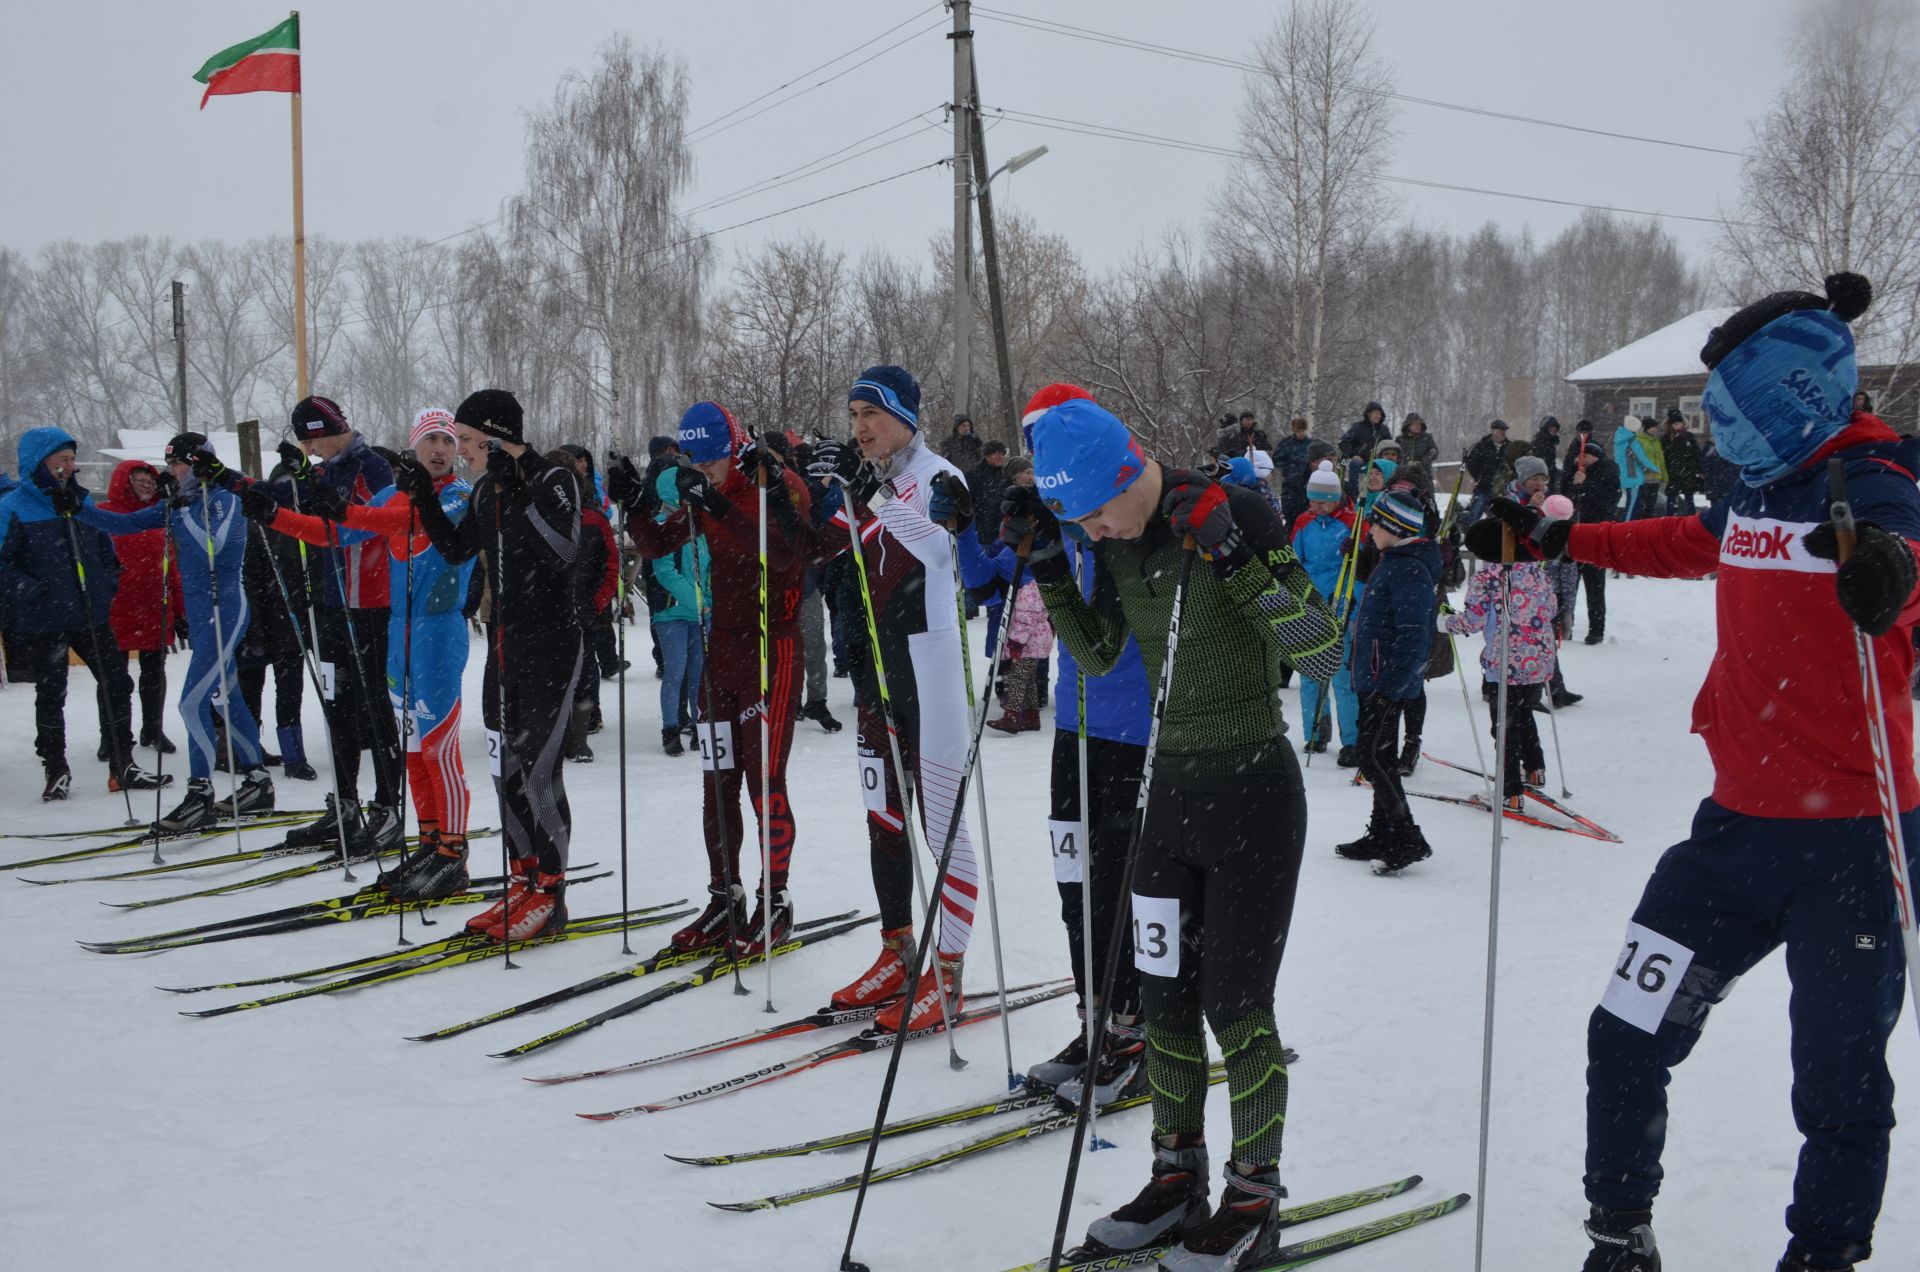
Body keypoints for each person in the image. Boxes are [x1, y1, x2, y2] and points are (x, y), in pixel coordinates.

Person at [1485, 272, 1917, 1272]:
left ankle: (1822, 1256)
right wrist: (1559, 536)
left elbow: (1905, 562)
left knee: (1841, 1088)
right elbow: (1688, 540)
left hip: (1854, 844)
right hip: (1733, 836)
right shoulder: (1758, 488)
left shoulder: (1873, 482)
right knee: (1625, 1032)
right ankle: (1619, 1234)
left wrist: (1889, 573)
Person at [1019, 396, 1342, 1269]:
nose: (1091, 529)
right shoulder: (1119, 540)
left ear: (1128, 471)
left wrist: (1236, 559)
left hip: (1252, 797)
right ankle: (1175, 1179)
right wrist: (1051, 566)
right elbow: (1093, 654)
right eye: (1073, 520)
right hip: (1167, 804)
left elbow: (1322, 651)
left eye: (1090, 513)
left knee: (1235, 1008)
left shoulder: (1236, 511)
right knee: (1163, 1005)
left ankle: (1254, 1195)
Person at [797, 366, 979, 1034]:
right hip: (875, 675)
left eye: (870, 413)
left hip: (928, 678)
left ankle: (950, 972)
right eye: (852, 417)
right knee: (885, 819)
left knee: (942, 828)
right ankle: (897, 949)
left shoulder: (938, 478)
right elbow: (820, 548)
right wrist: (796, 489)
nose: (861, 427)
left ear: (904, 413)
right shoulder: (864, 484)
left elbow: (939, 551)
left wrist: (870, 492)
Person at [242, 410, 478, 895]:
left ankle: (454, 853)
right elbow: (333, 536)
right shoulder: (394, 492)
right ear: (413, 446)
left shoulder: (459, 497)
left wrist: (340, 507)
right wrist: (274, 515)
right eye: (430, 439)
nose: (439, 449)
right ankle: (431, 842)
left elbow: (401, 521)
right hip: (398, 632)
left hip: (438, 633)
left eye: (447, 441)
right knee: (412, 750)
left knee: (438, 747)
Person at [611, 401, 813, 957]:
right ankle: (725, 897)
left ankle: (776, 902)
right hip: (718, 651)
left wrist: (716, 503)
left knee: (763, 783)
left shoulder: (780, 483)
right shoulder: (704, 493)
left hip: (772, 650)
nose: (704, 475)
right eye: (694, 466)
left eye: (713, 462)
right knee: (717, 783)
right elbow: (656, 546)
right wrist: (633, 506)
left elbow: (786, 554)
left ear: (736, 448)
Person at [401, 389, 582, 943]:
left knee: (538, 772)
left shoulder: (553, 478)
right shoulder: (485, 490)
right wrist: (423, 498)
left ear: (498, 437)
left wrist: (518, 486)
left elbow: (562, 552)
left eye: (470, 442)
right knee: (505, 770)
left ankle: (551, 893)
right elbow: (457, 550)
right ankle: (523, 880)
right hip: (503, 644)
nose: (461, 452)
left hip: (552, 644)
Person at [79, 434, 273, 826]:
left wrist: (180, 509)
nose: (172, 472)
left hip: (227, 611)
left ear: (199, 463)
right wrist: (76, 507)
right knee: (224, 699)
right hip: (203, 619)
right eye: (170, 465)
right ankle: (258, 782)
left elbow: (214, 546)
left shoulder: (226, 496)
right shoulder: (183, 501)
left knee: (191, 703)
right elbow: (125, 522)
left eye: (178, 465)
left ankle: (199, 793)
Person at [265, 397, 403, 857]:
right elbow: (294, 506)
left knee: (374, 707)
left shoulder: (374, 466)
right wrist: (251, 487)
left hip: (370, 604)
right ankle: (345, 804)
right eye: (303, 443)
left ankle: (387, 807)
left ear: (332, 428)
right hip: (331, 602)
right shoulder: (322, 471)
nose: (310, 448)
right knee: (337, 704)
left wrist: (327, 500)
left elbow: (371, 524)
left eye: (312, 439)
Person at [0, 428, 166, 800]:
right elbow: (2, 565)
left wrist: (108, 582)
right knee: (51, 691)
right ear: (38, 464)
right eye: (61, 460)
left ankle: (123, 763)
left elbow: (106, 548)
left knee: (117, 682)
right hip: (45, 618)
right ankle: (55, 766)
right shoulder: (12, 507)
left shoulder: (81, 502)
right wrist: (33, 590)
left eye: (72, 459)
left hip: (90, 613)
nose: (69, 467)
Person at [1336, 489, 1440, 873]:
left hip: (1386, 683)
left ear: (1394, 528)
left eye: (1376, 523)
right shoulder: (1394, 560)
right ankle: (1381, 832)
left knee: (1371, 756)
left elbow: (1414, 636)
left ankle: (1406, 835)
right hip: (1377, 678)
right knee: (1380, 754)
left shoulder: (1409, 568)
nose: (1370, 530)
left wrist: (1388, 689)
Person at [1440, 515, 1557, 808]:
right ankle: (1535, 767)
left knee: (1504, 726)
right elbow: (1552, 607)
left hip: (1504, 662)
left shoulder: (1489, 576)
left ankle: (1511, 791)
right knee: (1522, 714)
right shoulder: (1535, 570)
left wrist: (1445, 622)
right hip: (1537, 660)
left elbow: (1473, 620)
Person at [237, 467, 317, 781]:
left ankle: (294, 755)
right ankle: (248, 752)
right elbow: (250, 580)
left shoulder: (307, 525)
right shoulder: (258, 527)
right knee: (250, 689)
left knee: (290, 691)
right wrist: (252, 627)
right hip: (260, 623)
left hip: (292, 624)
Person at [101, 459, 183, 756]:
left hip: (154, 606)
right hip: (115, 607)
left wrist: (181, 609)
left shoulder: (161, 516)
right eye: (139, 482)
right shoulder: (105, 515)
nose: (145, 488)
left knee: (154, 673)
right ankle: (111, 734)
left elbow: (172, 566)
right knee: (113, 677)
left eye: (149, 483)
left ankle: (153, 727)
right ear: (125, 483)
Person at [552, 449, 619, 764]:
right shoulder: (537, 515)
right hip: (547, 613)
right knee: (554, 676)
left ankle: (579, 736)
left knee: (584, 672)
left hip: (584, 609)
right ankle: (555, 735)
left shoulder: (593, 518)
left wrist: (596, 601)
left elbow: (611, 565)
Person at [1291, 463, 1358, 757]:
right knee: (1311, 674)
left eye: (1323, 501)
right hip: (1310, 606)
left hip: (1342, 605)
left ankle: (1352, 739)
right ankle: (1316, 732)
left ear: (1336, 498)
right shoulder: (1303, 523)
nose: (1317, 507)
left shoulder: (1351, 523)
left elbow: (1362, 568)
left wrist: (1352, 598)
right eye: (1313, 501)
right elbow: (1293, 562)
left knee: (1342, 676)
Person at [986, 458, 1054, 735]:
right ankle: (1032, 716)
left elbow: (1026, 618)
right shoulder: (1039, 581)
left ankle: (1013, 716)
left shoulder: (1029, 587)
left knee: (1018, 678)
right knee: (1027, 679)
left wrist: (1015, 642)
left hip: (1027, 642)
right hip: (1038, 641)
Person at [644, 465, 708, 757]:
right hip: (672, 613)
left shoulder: (698, 523)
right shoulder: (661, 523)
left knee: (699, 673)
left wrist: (708, 598)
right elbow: (665, 571)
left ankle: (699, 725)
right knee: (675, 671)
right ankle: (671, 728)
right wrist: (696, 600)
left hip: (700, 613)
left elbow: (707, 566)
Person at [1567, 442, 1620, 644]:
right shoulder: (1574, 472)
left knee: (1595, 587)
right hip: (1572, 537)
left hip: (1594, 538)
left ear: (1595, 457)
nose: (1581, 461)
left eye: (1585, 457)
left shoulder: (1608, 473)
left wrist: (1586, 484)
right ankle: (1563, 627)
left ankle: (1596, 630)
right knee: (1567, 587)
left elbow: (1607, 502)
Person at [1338, 401, 1392, 498]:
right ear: (1368, 413)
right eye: (1376, 413)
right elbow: (1343, 442)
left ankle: (1386, 494)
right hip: (1362, 462)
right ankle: (1354, 496)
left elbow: (1390, 446)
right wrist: (1353, 455)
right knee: (1354, 464)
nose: (1378, 416)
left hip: (1378, 463)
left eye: (1380, 413)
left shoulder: (1384, 430)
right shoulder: (1357, 427)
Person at [1615, 415, 1663, 521]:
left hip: (1626, 475)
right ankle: (1627, 528)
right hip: (1633, 477)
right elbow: (1642, 458)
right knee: (1633, 507)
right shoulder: (1632, 442)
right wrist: (1655, 469)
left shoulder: (1621, 439)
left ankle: (1627, 526)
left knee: (1633, 505)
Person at [1463, 419, 1510, 526]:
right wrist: (1479, 477)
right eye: (1500, 430)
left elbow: (1513, 464)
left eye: (1504, 430)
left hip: (1501, 490)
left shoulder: (1509, 447)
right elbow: (1471, 462)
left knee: (1496, 518)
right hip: (1483, 488)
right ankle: (1470, 536)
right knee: (1475, 514)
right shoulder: (1482, 445)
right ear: (1493, 431)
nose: (1503, 433)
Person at [1274, 417, 1317, 531]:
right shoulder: (1285, 443)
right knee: (1290, 517)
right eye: (1298, 431)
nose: (1301, 434)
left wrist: (1310, 468)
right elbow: (1277, 459)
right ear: (1294, 430)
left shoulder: (1311, 444)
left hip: (1306, 485)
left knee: (1305, 517)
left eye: (1303, 431)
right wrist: (1290, 469)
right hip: (1290, 485)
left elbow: (1316, 461)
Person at [1661, 408, 1704, 517]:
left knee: (1689, 499)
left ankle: (1691, 520)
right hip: (1673, 473)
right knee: (1671, 500)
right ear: (1671, 425)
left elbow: (1696, 454)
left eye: (1679, 423)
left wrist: (1700, 470)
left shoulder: (1688, 436)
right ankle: (1669, 520)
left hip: (1688, 472)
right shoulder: (1666, 438)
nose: (1678, 426)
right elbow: (1663, 457)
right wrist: (1664, 471)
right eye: (1675, 424)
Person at [1532, 416, 1564, 491]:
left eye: (1555, 428)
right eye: (1552, 427)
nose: (1554, 430)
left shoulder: (1550, 441)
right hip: (1542, 476)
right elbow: (1541, 459)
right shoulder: (1540, 440)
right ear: (1546, 427)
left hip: (1548, 475)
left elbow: (1550, 460)